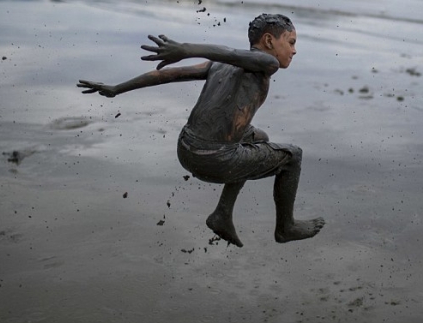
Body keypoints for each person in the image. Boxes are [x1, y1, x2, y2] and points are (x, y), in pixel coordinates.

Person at [77, 14, 324, 247]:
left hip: (185, 148)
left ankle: (222, 214)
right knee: (293, 156)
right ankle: (286, 227)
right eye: (291, 42)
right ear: (269, 40)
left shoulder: (220, 64)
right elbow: (223, 55)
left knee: (259, 138)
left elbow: (169, 75)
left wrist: (116, 88)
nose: (294, 50)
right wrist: (185, 49)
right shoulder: (267, 62)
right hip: (215, 159)